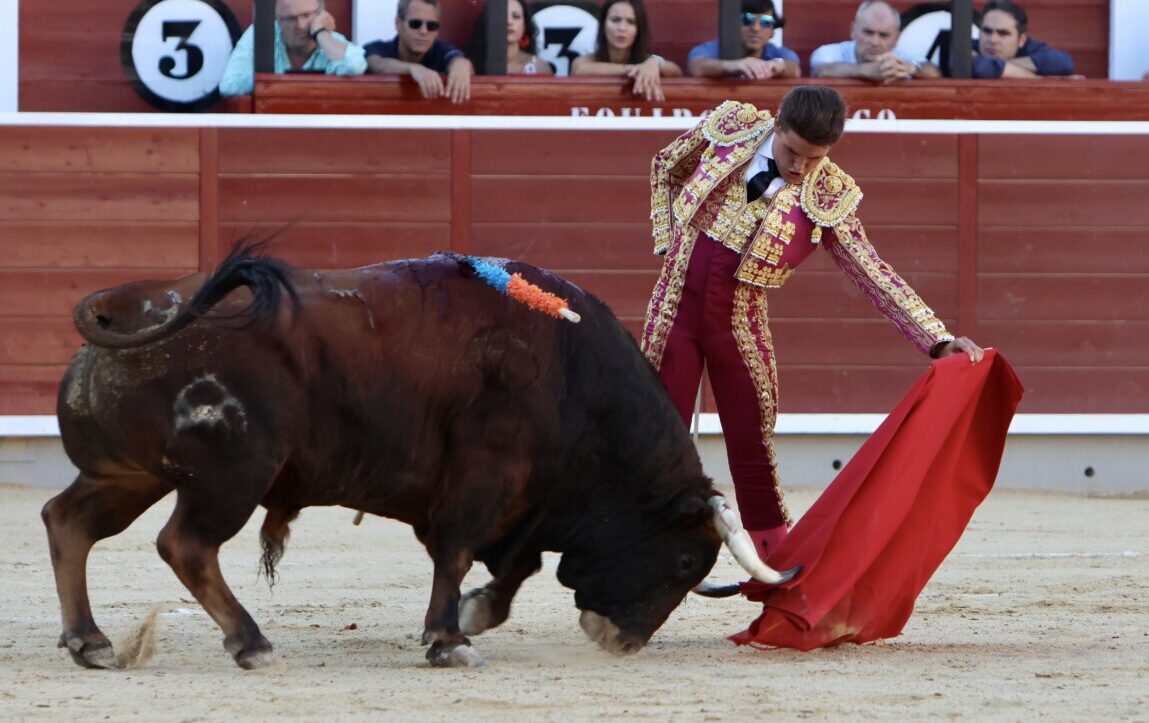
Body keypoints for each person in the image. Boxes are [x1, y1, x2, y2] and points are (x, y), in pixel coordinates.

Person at [641, 86, 983, 558]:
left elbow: (871, 269)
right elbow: (664, 167)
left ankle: (776, 563)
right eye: (792, 152)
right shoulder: (732, 128)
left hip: (738, 323)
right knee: (655, 435)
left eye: (814, 159)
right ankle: (639, 549)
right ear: (777, 125)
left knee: (753, 446)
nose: (800, 168)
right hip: (673, 309)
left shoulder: (828, 194)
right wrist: (669, 242)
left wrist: (937, 339)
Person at [218, 0, 366, 97]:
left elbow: (355, 66)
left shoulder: (330, 40)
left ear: (322, 15)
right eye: (291, 18)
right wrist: (279, 82)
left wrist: (320, 33)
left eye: (306, 16)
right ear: (279, 21)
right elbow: (229, 86)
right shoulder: (261, 33)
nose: (300, 25)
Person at [570, 0, 682, 102]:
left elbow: (675, 71)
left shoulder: (647, 62)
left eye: (631, 22)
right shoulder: (586, 60)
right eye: (615, 20)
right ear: (603, 24)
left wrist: (655, 62)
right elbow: (580, 69)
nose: (622, 28)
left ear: (639, 29)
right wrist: (635, 69)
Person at [365, 0, 474, 103]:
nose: (423, 31)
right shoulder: (378, 48)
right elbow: (376, 63)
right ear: (398, 23)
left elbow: (455, 57)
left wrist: (462, 64)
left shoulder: (442, 49)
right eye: (415, 24)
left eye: (431, 26)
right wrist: (412, 69)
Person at [810, 1, 939, 81]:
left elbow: (933, 72)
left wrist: (912, 68)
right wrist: (865, 71)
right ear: (853, 30)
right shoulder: (830, 52)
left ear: (896, 39)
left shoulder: (900, 56)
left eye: (884, 35)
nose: (875, 42)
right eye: (868, 32)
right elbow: (821, 69)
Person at [686, 0, 800, 80]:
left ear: (773, 30)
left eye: (766, 21)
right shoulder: (712, 49)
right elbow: (696, 66)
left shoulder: (778, 52)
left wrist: (778, 65)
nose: (756, 28)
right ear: (733, 24)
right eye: (747, 19)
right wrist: (731, 65)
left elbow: (794, 68)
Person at [972, 0, 1074, 78]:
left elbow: (1064, 62)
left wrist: (1001, 66)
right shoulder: (968, 46)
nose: (993, 40)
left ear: (1021, 40)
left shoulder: (1029, 47)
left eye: (1003, 33)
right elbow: (980, 66)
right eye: (987, 31)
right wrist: (1038, 79)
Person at [467, 0, 554, 76]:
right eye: (501, 16)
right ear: (487, 23)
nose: (509, 22)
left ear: (525, 26)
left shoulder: (539, 67)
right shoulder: (470, 67)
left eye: (516, 16)